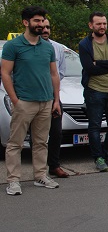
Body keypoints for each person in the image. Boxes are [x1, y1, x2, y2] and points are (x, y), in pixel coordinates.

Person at [2, 6, 61, 195]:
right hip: (24, 102)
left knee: (41, 142)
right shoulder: (13, 46)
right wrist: (15, 100)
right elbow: (5, 73)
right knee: (15, 143)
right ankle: (13, 181)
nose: (41, 24)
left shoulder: (48, 47)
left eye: (42, 20)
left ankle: (40, 176)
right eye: (37, 20)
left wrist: (56, 100)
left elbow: (54, 74)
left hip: (46, 102)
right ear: (25, 22)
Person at [79, 11, 108, 172]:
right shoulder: (84, 44)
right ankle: (98, 158)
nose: (102, 26)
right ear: (91, 25)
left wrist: (98, 63)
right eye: (98, 24)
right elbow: (89, 68)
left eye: (104, 23)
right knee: (95, 126)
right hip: (94, 91)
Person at [41, 18, 69, 178]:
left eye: (48, 27)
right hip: (32, 97)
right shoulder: (25, 46)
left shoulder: (58, 48)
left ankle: (54, 165)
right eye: (43, 27)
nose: (45, 30)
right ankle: (38, 169)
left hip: (52, 96)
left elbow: (61, 72)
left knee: (56, 132)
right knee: (36, 135)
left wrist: (52, 89)